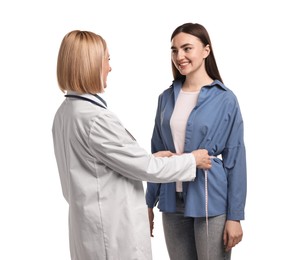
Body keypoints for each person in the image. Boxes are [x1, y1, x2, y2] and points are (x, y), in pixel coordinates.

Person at [52, 30, 212, 260]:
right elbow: (147, 169)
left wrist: (154, 158)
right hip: (113, 236)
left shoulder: (66, 113)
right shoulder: (96, 119)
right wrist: (192, 160)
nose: (109, 67)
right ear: (90, 64)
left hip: (91, 228)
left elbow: (109, 162)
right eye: (107, 59)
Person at [146, 23, 247, 260]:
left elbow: (236, 160)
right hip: (171, 201)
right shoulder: (166, 98)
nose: (179, 56)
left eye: (186, 48)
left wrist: (235, 216)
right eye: (174, 50)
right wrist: (148, 203)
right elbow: (156, 154)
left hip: (210, 201)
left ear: (206, 50)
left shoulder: (225, 99)